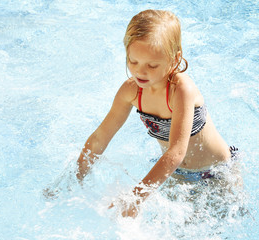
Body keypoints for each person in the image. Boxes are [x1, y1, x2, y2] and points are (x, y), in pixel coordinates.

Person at [75, 9, 240, 218]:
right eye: (133, 61)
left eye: (152, 65)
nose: (140, 72)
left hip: (218, 172)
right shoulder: (131, 91)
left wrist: (136, 197)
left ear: (174, 58)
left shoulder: (181, 90)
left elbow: (177, 152)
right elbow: (100, 137)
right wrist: (76, 177)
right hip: (176, 175)